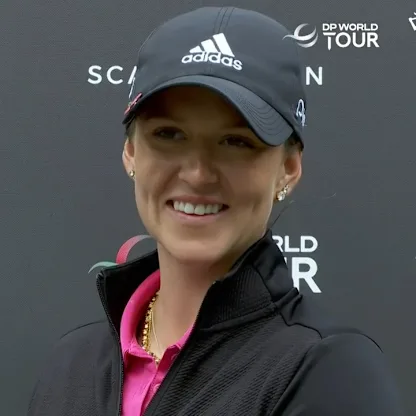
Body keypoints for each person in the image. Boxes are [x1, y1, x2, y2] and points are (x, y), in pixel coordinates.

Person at [27, 6, 405, 416]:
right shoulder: (72, 366)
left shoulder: (328, 373)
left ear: (288, 168)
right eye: (169, 134)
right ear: (131, 151)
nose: (198, 173)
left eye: (236, 142)